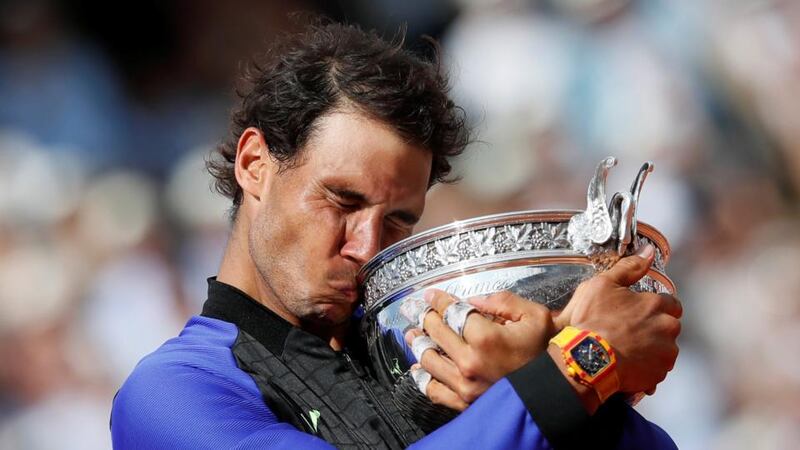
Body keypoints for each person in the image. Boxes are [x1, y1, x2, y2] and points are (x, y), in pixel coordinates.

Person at [110, 21, 681, 449]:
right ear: (255, 163)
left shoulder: (441, 352)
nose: (365, 246)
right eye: (343, 200)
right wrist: (582, 361)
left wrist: (580, 393)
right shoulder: (169, 394)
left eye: (398, 220)